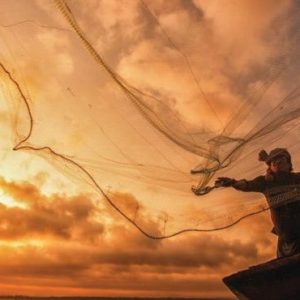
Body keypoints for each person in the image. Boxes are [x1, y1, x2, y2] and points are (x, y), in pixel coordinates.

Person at [216, 148, 300, 258]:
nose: (277, 162)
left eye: (281, 159)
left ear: (289, 164)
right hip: (284, 242)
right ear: (270, 166)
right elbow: (246, 185)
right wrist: (232, 182)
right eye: (273, 161)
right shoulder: (265, 182)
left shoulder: (298, 178)